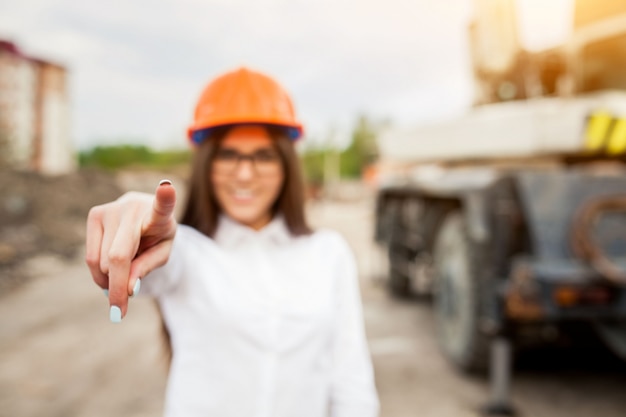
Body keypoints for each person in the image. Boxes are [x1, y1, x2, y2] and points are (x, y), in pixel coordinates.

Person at [85, 67, 379, 417]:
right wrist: (134, 219)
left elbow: (351, 382)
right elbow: (158, 262)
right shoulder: (187, 252)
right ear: (206, 164)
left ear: (286, 164)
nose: (244, 173)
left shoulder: (328, 253)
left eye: (263, 155)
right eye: (228, 155)